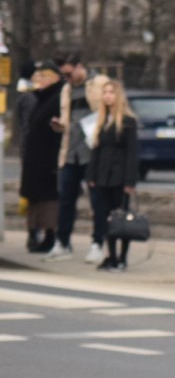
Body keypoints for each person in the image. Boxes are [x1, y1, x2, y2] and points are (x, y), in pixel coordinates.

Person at [44, 54, 99, 262]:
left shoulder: (98, 84)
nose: (66, 77)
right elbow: (68, 120)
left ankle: (97, 243)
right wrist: (60, 126)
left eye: (68, 73)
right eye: (63, 74)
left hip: (91, 154)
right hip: (69, 154)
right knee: (66, 200)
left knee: (97, 202)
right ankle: (63, 242)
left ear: (79, 67)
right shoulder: (66, 90)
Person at [86, 79, 139, 272]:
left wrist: (130, 181)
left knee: (121, 219)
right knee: (105, 218)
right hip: (101, 178)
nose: (108, 95)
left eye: (111, 92)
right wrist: (91, 176)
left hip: (120, 178)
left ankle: (122, 258)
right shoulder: (100, 120)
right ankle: (111, 255)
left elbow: (132, 153)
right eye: (105, 92)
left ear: (118, 96)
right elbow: (96, 151)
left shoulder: (127, 121)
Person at [19, 62, 64, 253]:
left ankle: (50, 236)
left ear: (53, 78)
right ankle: (34, 234)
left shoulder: (56, 98)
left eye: (43, 77)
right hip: (34, 159)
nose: (38, 81)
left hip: (47, 160)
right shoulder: (38, 98)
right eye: (37, 77)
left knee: (48, 200)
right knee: (35, 199)